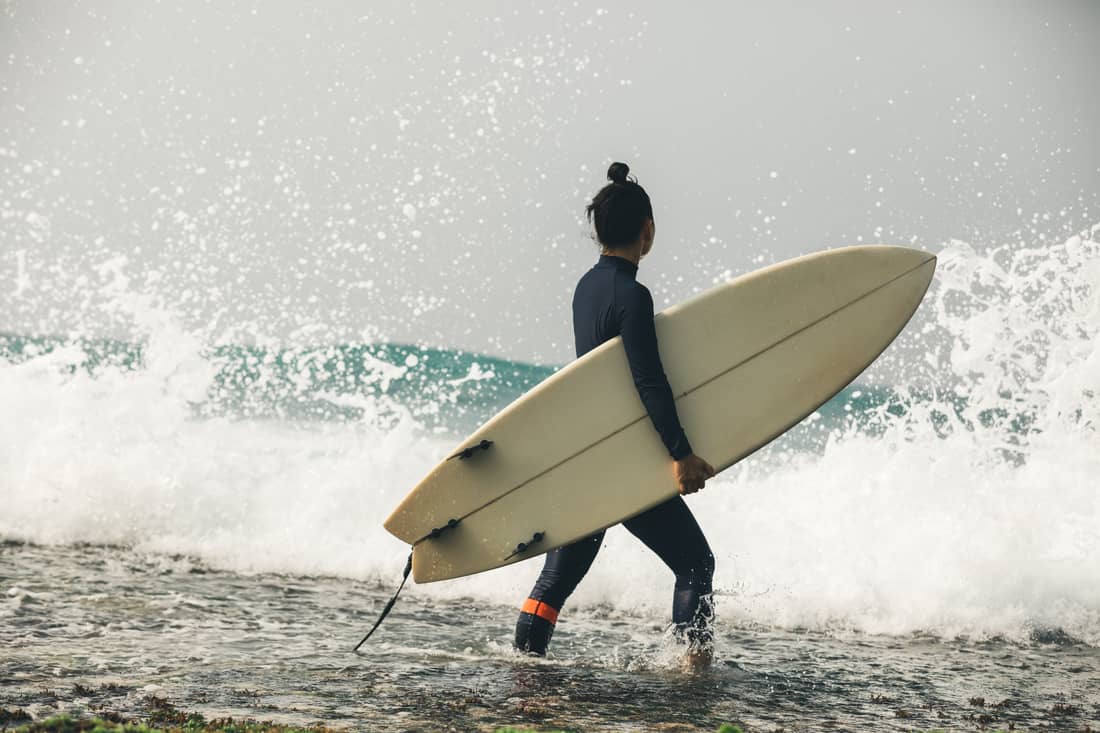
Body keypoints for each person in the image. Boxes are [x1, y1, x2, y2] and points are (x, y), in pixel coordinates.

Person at [513, 161, 718, 669]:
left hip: (590, 457)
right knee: (696, 562)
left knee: (558, 578)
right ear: (648, 231)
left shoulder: (586, 287)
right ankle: (692, 670)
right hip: (625, 460)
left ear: (597, 230)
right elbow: (647, 380)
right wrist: (681, 454)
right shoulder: (633, 294)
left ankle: (525, 666)